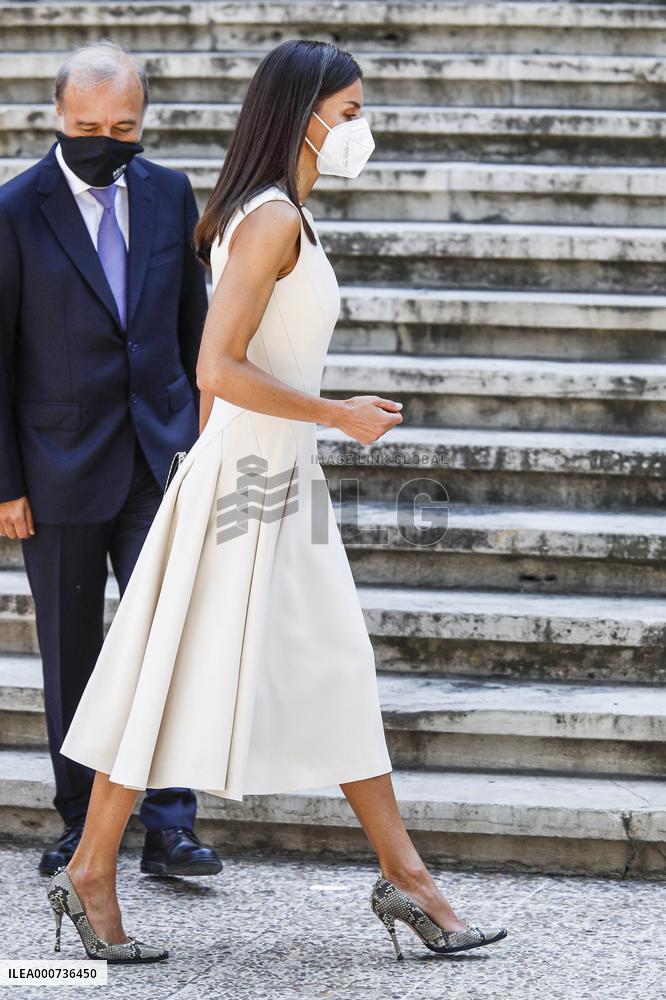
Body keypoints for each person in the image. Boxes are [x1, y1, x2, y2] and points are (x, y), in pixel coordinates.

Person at [46, 40, 508, 964]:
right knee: (167, 677)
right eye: (349, 112)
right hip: (254, 484)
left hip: (268, 476)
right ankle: (95, 871)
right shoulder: (269, 221)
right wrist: (331, 416)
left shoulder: (283, 211)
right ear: (303, 116)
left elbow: (225, 385)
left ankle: (403, 875)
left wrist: (254, 455)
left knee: (320, 667)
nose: (358, 130)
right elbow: (214, 366)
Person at [0, 41, 222, 878]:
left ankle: (170, 827)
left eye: (123, 125)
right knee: (73, 653)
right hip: (52, 470)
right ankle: (76, 821)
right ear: (59, 116)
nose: (105, 137)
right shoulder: (15, 209)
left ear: (143, 119)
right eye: (88, 125)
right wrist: (5, 485)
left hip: (159, 457)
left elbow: (194, 331)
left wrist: (201, 447)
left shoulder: (168, 193)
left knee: (166, 642)